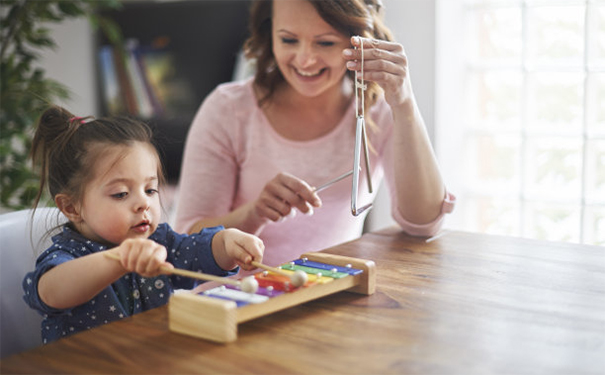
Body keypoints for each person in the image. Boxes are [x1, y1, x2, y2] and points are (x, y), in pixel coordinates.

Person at [175, 0, 455, 267]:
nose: (306, 60)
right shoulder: (228, 110)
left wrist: (404, 103)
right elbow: (187, 241)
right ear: (268, 33)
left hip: (325, 297)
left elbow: (424, 223)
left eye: (325, 42)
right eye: (288, 40)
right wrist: (255, 213)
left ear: (358, 40)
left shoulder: (377, 111)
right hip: (232, 299)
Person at [22, 106, 264, 344]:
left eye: (150, 190)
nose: (143, 203)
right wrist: (118, 259)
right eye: (121, 194)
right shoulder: (67, 255)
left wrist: (227, 243)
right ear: (72, 208)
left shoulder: (159, 241)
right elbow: (50, 291)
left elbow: (199, 252)